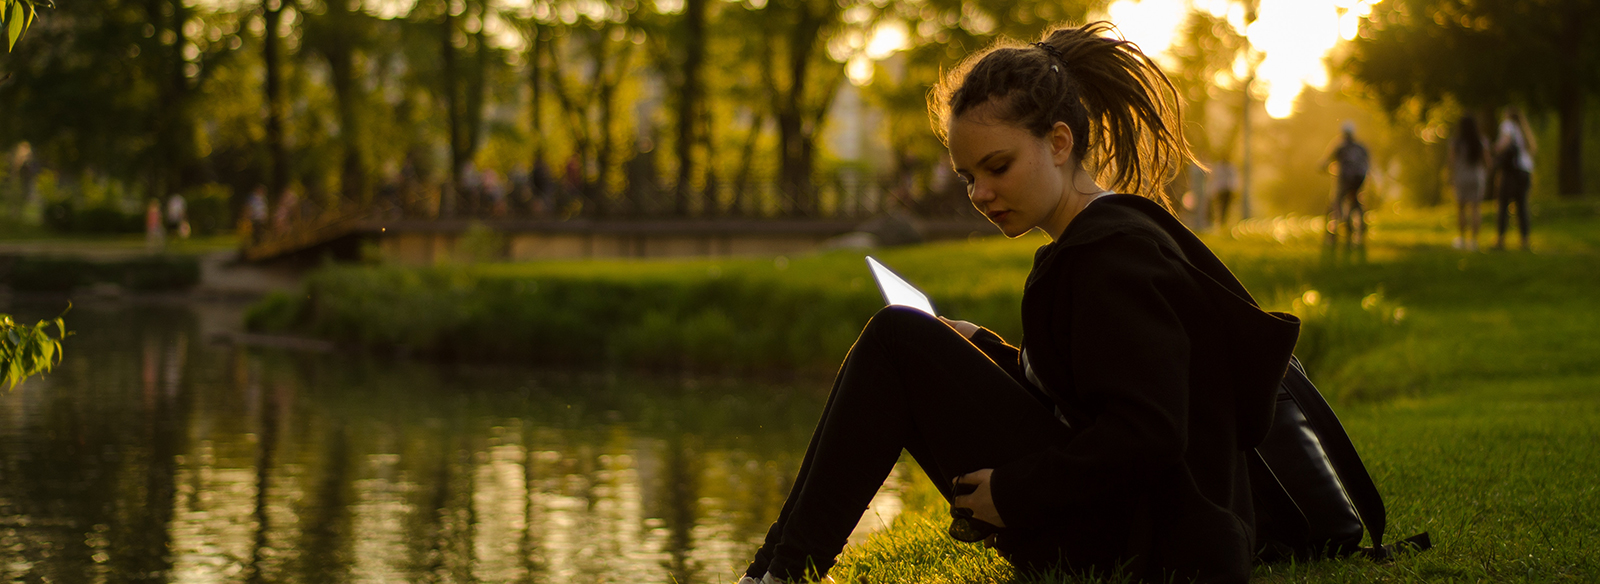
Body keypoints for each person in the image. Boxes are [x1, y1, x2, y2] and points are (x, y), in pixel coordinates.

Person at [737, 22, 1299, 584]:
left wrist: (1014, 493)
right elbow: (1081, 404)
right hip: (1127, 524)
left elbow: (1150, 432)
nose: (980, 193)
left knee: (895, 340)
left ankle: (778, 573)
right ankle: (775, 569)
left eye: (997, 167)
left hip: (1149, 545)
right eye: (967, 175)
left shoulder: (1113, 256)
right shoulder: (1100, 241)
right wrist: (986, 349)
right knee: (906, 343)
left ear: (1058, 143)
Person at [1493, 106, 1535, 251]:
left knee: (1503, 204)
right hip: (1525, 171)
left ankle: (1500, 240)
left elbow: (1504, 143)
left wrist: (1495, 149)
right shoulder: (1523, 129)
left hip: (1512, 171)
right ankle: (1524, 241)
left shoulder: (1507, 125)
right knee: (1522, 205)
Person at [1448, 116, 1490, 251]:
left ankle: (1461, 238)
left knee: (1461, 208)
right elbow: (1488, 162)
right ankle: (1474, 241)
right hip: (1477, 177)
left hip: (1461, 176)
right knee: (1476, 208)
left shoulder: (1456, 142)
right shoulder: (1481, 141)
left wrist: (1450, 178)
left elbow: (1452, 162)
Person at [1327, 122, 1369, 245]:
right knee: (1356, 197)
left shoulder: (1340, 146)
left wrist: (1323, 166)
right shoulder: (1361, 146)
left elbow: (1328, 160)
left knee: (1338, 199)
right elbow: (1367, 161)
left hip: (1345, 177)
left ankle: (1339, 223)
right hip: (1360, 177)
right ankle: (1361, 219)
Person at [1207, 159, 1236, 229]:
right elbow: (1214, 179)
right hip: (1220, 190)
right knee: (1219, 207)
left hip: (1227, 190)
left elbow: (1233, 179)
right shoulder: (1218, 167)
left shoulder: (1230, 167)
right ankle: (1219, 222)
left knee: (1225, 207)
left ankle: (1223, 222)